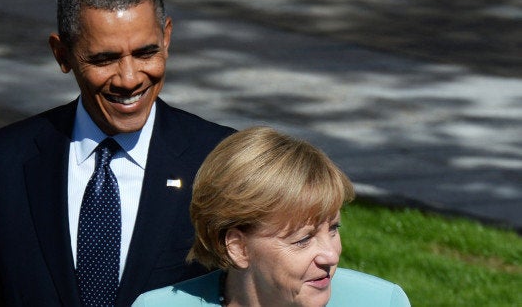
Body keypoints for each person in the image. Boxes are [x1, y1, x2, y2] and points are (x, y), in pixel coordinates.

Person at [0, 0, 234, 306]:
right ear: (62, 55)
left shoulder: (220, 159)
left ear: (166, 38)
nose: (129, 79)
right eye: (104, 59)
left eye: (145, 53)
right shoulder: (3, 162)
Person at [132, 126, 411, 307]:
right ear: (239, 248)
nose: (330, 255)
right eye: (303, 240)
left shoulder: (381, 301)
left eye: (333, 228)